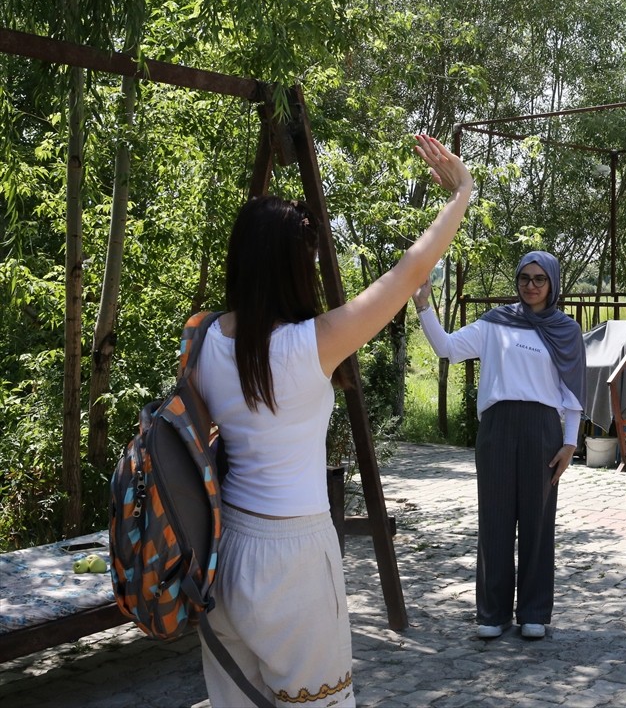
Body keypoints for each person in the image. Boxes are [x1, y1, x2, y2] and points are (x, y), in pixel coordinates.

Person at [194, 135, 472, 707]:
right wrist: (461, 192)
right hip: (293, 554)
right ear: (297, 267)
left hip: (222, 549)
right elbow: (409, 271)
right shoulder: (308, 346)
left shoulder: (199, 338)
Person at [411, 250, 584, 640]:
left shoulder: (565, 330)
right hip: (497, 427)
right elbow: (447, 349)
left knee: (538, 522)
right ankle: (492, 612)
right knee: (495, 519)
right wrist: (423, 306)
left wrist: (570, 444)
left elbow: (572, 392)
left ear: (553, 283)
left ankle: (534, 611)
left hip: (543, 429)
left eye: (540, 279)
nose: (531, 286)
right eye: (525, 278)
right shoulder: (495, 323)